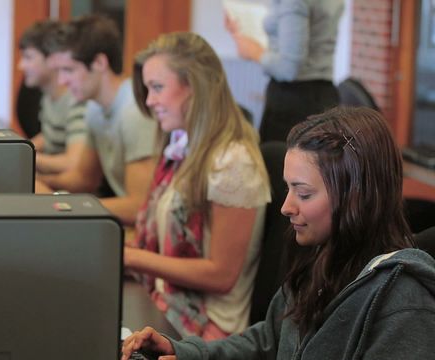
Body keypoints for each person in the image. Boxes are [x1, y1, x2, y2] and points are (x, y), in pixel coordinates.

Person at [120, 106, 435, 360]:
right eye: (288, 189)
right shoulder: (319, 260)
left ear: (356, 197)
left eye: (304, 193)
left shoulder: (404, 304)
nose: (286, 206)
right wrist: (184, 351)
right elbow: (269, 341)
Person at [125, 32, 271, 340]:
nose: (150, 101)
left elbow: (221, 274)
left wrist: (131, 257)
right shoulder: (183, 146)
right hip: (169, 304)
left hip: (208, 329)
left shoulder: (233, 162)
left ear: (195, 86)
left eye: (158, 87)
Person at [37, 14, 157, 225]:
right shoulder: (94, 108)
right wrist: (36, 184)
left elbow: (139, 206)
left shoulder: (133, 113)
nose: (63, 81)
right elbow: (84, 179)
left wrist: (60, 205)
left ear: (100, 63)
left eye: (69, 70)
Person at [225, 0, 344, 143]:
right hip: (320, 94)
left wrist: (254, 52)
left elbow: (289, 68)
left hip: (294, 101)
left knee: (280, 162)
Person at [17, 20, 88, 174]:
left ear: (52, 59)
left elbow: (73, 163)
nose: (21, 66)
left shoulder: (76, 100)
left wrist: (23, 156)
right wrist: (21, 147)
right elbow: (49, 135)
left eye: (28, 57)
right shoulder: (48, 95)